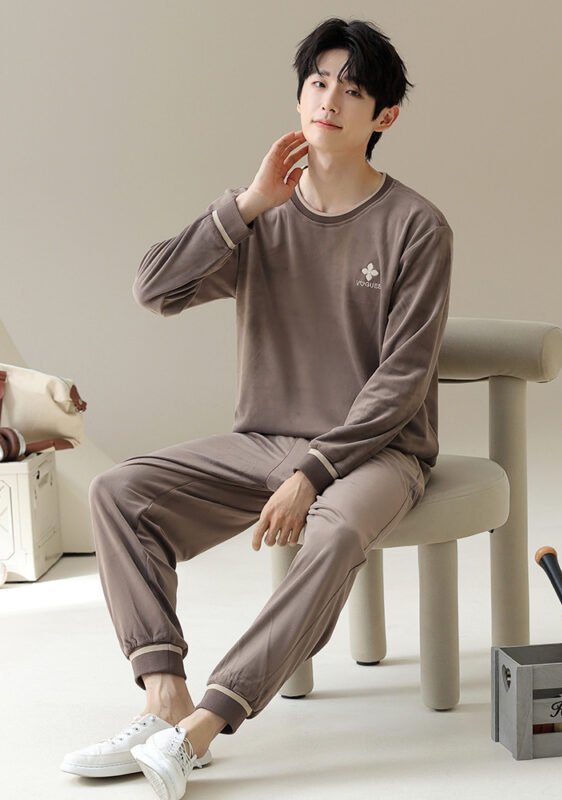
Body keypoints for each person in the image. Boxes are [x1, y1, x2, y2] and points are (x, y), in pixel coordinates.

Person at [61, 16, 453, 800]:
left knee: (335, 528)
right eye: (318, 82)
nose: (329, 99)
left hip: (379, 453)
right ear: (299, 95)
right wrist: (245, 205)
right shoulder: (262, 218)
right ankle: (163, 701)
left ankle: (201, 730)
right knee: (118, 492)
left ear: (384, 116)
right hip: (265, 439)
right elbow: (155, 289)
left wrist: (315, 471)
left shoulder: (417, 226)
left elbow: (402, 379)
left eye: (352, 90)